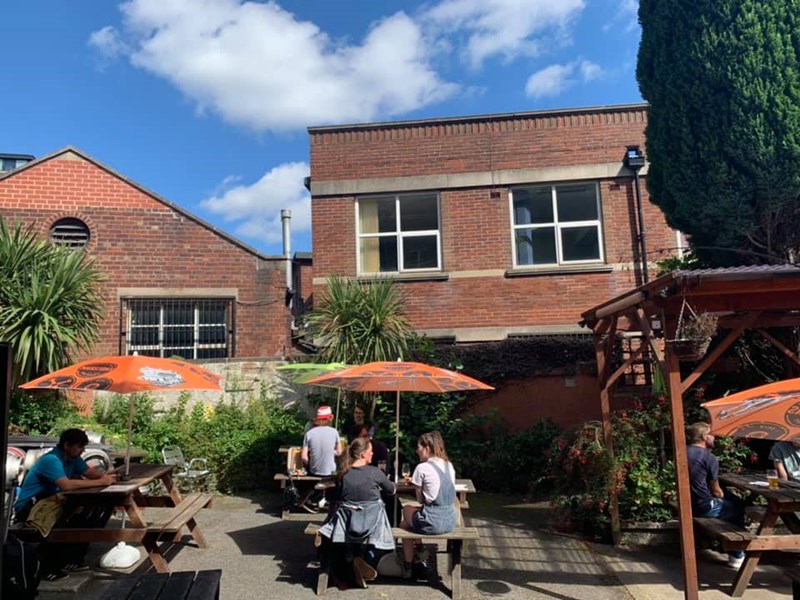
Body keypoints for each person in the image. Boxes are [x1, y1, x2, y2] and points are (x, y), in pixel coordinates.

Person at [13, 428, 118, 581]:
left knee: (95, 512)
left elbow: (90, 473)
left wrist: (109, 476)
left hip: (52, 502)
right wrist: (101, 481)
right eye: (79, 447)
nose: (82, 451)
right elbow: (66, 485)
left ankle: (73, 559)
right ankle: (47, 567)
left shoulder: (73, 459)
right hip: (30, 508)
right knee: (67, 520)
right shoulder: (51, 460)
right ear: (67, 445)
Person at [319, 436, 396, 588]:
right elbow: (392, 490)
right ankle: (362, 559)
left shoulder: (343, 474)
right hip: (373, 528)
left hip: (347, 526)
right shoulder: (375, 473)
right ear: (362, 454)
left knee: (345, 520)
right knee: (374, 532)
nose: (373, 455)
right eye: (370, 452)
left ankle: (355, 559)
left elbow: (335, 496)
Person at [686, 422, 746, 569]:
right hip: (704, 507)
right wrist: (723, 496)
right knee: (738, 508)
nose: (715, 438)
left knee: (732, 500)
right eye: (713, 435)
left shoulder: (683, 452)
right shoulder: (709, 457)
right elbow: (716, 491)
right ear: (705, 437)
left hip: (688, 504)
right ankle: (737, 555)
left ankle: (730, 547)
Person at [399, 431, 457, 578]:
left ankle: (411, 563)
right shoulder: (449, 465)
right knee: (404, 525)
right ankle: (417, 556)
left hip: (432, 521)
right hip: (450, 519)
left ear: (427, 448)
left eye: (419, 446)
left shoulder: (422, 468)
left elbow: (420, 500)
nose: (417, 450)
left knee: (406, 509)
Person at [301, 405, 342, 511]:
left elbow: (304, 457)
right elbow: (339, 452)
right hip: (330, 472)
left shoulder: (309, 433)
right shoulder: (334, 432)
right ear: (330, 418)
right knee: (337, 469)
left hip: (314, 470)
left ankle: (312, 499)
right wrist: (330, 450)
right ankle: (327, 499)